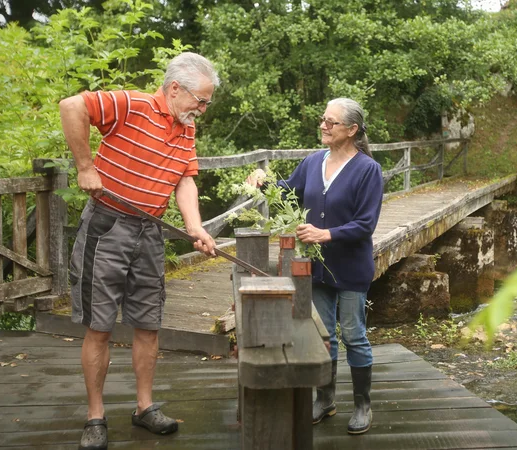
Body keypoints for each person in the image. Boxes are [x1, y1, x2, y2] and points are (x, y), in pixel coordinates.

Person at [58, 52, 219, 450]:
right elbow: (71, 105)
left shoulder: (186, 128)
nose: (202, 109)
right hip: (107, 225)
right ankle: (95, 417)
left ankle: (144, 408)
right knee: (100, 326)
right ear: (175, 88)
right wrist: (84, 165)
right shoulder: (132, 104)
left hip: (150, 231)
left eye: (207, 103)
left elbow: (185, 179)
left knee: (148, 323)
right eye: (200, 100)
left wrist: (195, 226)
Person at [247, 98, 383, 435]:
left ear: (351, 130)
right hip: (317, 269)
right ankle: (325, 399)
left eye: (331, 122)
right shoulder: (312, 162)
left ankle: (363, 405)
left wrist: (326, 233)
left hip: (350, 268)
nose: (324, 125)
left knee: (353, 334)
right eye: (323, 119)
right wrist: (263, 183)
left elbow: (365, 224)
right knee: (326, 338)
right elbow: (287, 192)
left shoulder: (368, 170)